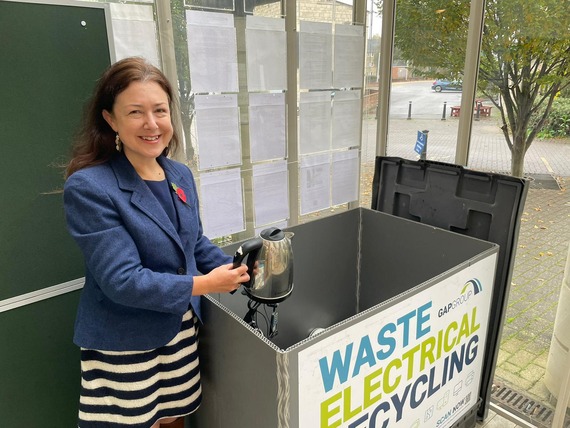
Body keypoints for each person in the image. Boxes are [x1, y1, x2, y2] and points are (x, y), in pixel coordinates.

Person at [63, 57, 249, 428]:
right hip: (125, 340)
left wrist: (239, 268)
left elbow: (193, 243)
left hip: (180, 329)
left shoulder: (178, 174)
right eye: (136, 112)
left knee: (174, 418)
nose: (152, 124)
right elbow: (122, 281)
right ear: (111, 119)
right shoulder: (90, 187)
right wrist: (206, 284)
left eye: (160, 111)